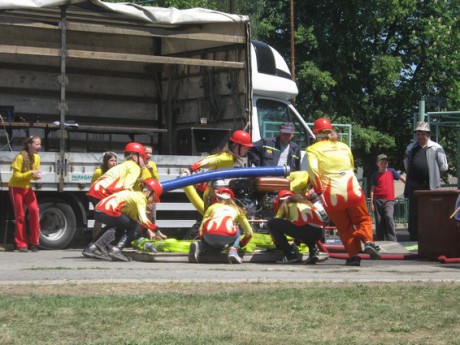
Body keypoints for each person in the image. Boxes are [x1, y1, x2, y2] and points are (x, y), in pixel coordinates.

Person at [306, 117, 380, 266]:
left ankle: (353, 256)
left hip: (331, 195)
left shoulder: (312, 150)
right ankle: (367, 241)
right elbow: (351, 166)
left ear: (316, 134)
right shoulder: (344, 146)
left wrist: (319, 191)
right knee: (363, 219)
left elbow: (313, 172)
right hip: (352, 190)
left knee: (343, 226)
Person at [82, 178, 166, 261]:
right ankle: (116, 250)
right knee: (135, 228)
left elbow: (135, 220)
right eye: (154, 199)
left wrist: (148, 231)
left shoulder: (133, 195)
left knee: (121, 226)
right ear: (150, 192)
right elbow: (143, 221)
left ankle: (92, 247)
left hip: (98, 211)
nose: (152, 202)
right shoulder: (141, 199)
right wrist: (157, 230)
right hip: (108, 211)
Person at [183, 130, 253, 211]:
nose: (247, 150)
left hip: (210, 190)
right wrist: (191, 168)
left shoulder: (228, 156)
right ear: (236, 146)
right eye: (245, 148)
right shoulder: (227, 158)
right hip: (209, 191)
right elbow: (210, 160)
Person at [403, 121, 448, 241]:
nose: (420, 136)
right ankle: (414, 235)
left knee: (431, 211)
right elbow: (407, 165)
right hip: (414, 185)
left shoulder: (436, 148)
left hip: (430, 186)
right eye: (418, 134)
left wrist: (434, 175)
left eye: (423, 134)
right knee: (414, 212)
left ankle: (431, 234)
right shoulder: (410, 148)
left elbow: (444, 166)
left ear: (428, 135)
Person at [188, 187, 253, 264]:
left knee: (215, 245)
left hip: (209, 236)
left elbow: (202, 225)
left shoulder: (211, 207)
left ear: (217, 199)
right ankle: (233, 251)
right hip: (227, 237)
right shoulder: (237, 210)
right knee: (236, 228)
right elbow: (249, 233)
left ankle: (200, 245)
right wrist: (241, 244)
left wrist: (203, 238)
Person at [267, 190, 325, 264]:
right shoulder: (304, 203)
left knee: (272, 223)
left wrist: (278, 243)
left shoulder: (286, 204)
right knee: (304, 228)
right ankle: (313, 252)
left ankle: (289, 255)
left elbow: (276, 222)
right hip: (319, 232)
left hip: (306, 230)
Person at [8, 135, 43, 252]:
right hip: (16, 187)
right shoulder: (19, 157)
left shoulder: (37, 158)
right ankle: (21, 244)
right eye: (37, 144)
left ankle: (34, 242)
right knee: (20, 216)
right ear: (29, 145)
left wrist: (36, 176)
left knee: (34, 211)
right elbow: (16, 177)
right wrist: (30, 173)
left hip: (27, 187)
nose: (39, 146)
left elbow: (32, 177)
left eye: (39, 144)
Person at [370, 154, 406, 242]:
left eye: (386, 162)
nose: (384, 164)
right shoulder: (375, 175)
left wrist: (409, 185)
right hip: (377, 200)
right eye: (382, 162)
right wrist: (371, 203)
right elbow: (372, 189)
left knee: (389, 216)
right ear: (377, 164)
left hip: (389, 200)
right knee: (379, 221)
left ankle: (392, 238)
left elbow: (402, 178)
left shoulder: (391, 171)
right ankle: (380, 238)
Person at [90, 152, 118, 239]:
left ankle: (107, 240)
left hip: (109, 197)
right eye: (111, 160)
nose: (114, 163)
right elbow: (93, 186)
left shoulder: (116, 171)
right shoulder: (99, 171)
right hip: (97, 197)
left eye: (115, 161)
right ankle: (95, 240)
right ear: (106, 161)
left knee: (112, 219)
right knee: (99, 219)